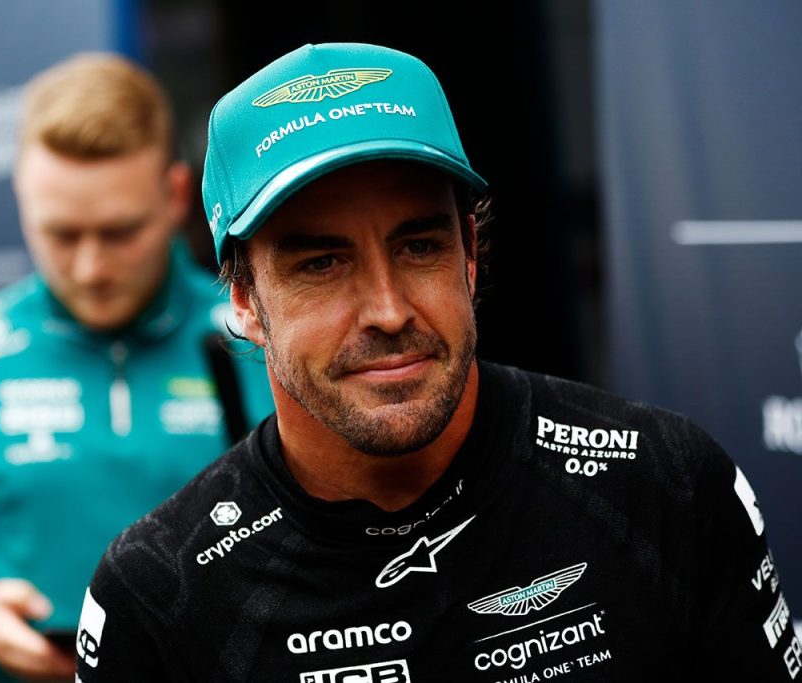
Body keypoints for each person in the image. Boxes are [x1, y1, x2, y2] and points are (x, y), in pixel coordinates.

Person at [75, 42, 801, 682]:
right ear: (244, 300)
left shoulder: (665, 484)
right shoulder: (160, 594)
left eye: (419, 246)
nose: (389, 310)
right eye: (323, 263)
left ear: (471, 255)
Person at [0, 52, 274, 683]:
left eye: (119, 232)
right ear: (22, 198)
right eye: (61, 234)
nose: (91, 267)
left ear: (173, 196)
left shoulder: (257, 337)